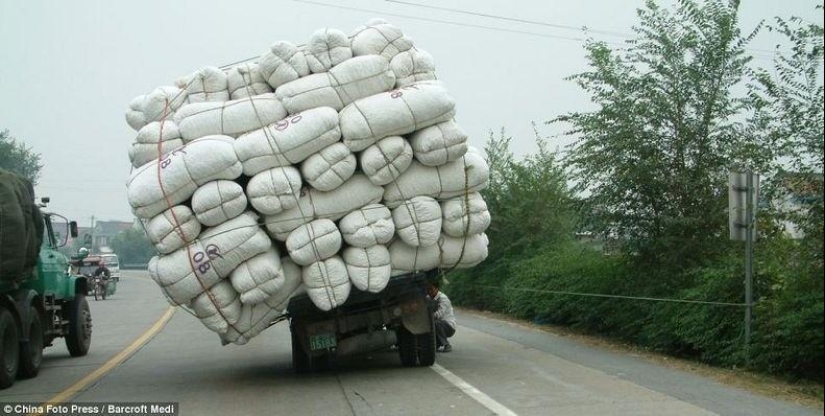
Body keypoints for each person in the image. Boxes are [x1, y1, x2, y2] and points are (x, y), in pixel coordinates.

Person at [427, 282, 456, 353]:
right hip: (438, 325)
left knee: (435, 323)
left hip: (449, 327)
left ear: (437, 289)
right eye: (428, 289)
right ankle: (437, 344)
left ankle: (446, 345)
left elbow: (439, 314)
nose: (429, 291)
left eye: (431, 289)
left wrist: (426, 317)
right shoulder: (428, 298)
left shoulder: (443, 299)